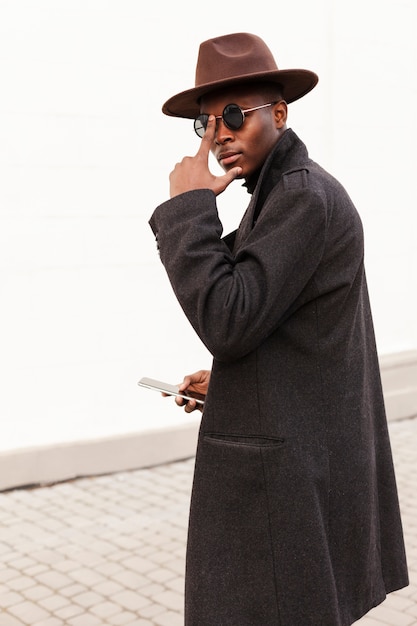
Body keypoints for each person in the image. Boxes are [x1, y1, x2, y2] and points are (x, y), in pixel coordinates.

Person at [148, 32, 408, 626]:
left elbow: (229, 318)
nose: (219, 135)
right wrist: (233, 382)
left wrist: (187, 210)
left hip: (285, 489)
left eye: (235, 115)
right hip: (291, 468)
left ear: (280, 114)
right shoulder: (281, 195)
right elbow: (289, 324)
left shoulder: (300, 197)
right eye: (207, 123)